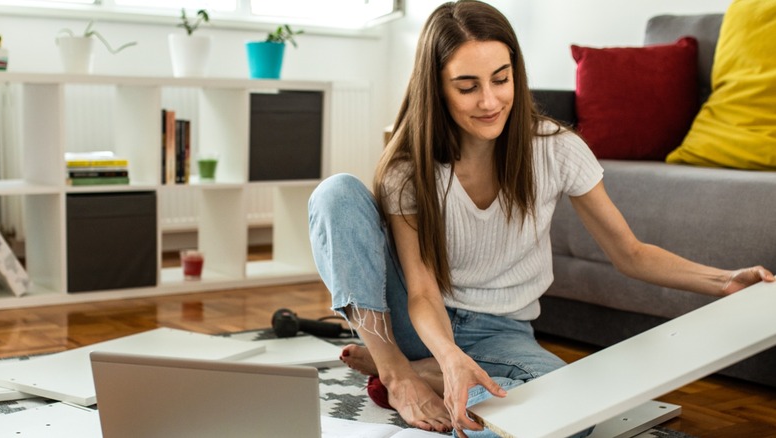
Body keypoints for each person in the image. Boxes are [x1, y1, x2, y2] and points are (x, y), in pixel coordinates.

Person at [307, 1, 775, 437]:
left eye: (501, 79)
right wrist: (447, 353)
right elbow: (423, 292)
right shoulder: (409, 169)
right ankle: (397, 373)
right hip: (419, 322)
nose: (490, 101)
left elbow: (630, 253)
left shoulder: (556, 149)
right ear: (437, 88)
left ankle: (429, 374)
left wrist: (724, 280)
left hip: (502, 332)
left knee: (570, 421)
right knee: (336, 193)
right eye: (467, 87)